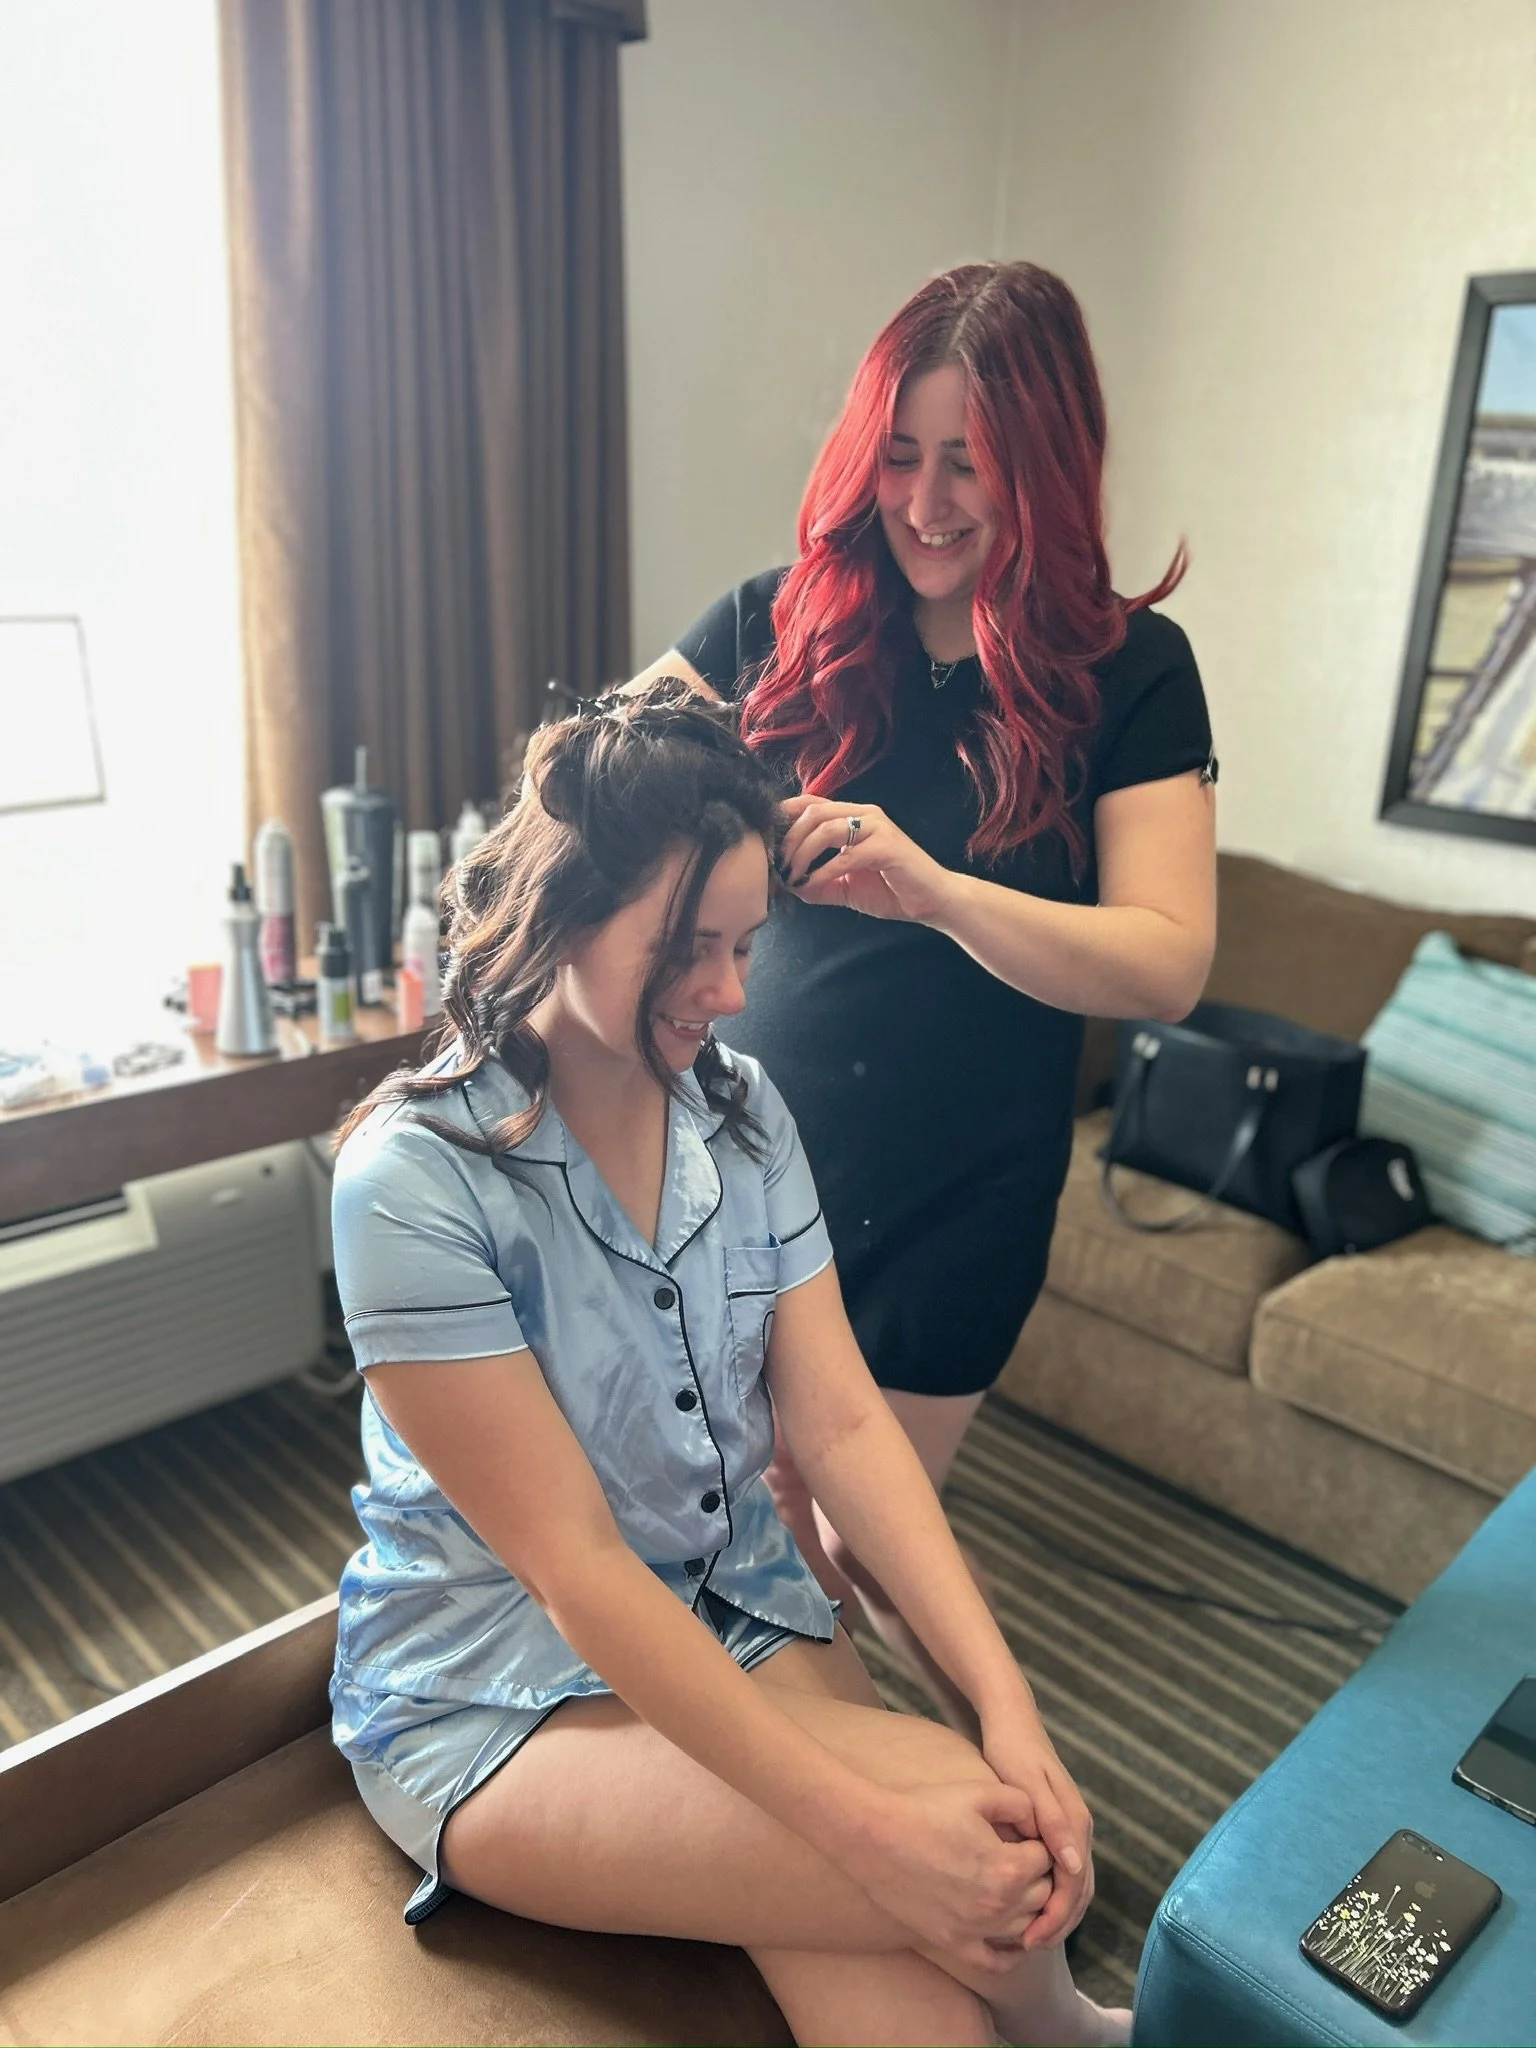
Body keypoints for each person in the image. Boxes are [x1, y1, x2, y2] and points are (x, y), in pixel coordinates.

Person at [326, 682, 1130, 2048]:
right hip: (492, 1683)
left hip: (733, 1597)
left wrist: (1010, 1709)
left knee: (962, 1909)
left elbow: (846, 1429)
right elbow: (577, 1568)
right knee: (958, 1838)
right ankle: (1075, 2031)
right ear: (564, 912)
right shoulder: (413, 1182)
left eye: (748, 944)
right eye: (687, 949)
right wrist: (867, 1830)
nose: (733, 992)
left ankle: (1069, 2029)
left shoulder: (743, 1110)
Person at [633, 261, 1218, 1729]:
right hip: (751, 1168)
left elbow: (1168, 960)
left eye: (972, 461)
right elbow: (584, 780)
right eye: (900, 454)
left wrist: (940, 893)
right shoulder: (775, 624)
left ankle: (992, 1792)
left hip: (958, 1190)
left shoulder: (1133, 674)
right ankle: (846, 1780)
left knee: (866, 1543)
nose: (928, 501)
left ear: (1048, 464)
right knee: (757, 1512)